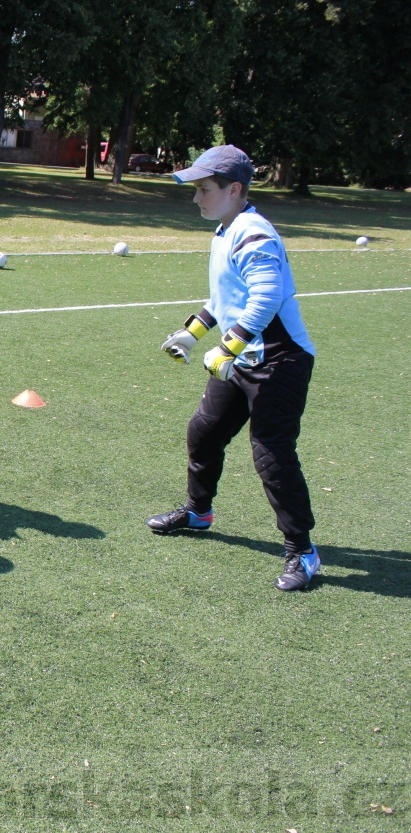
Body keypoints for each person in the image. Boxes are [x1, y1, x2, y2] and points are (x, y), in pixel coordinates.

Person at [150, 144, 320, 592]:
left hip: (279, 362)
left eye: (204, 189)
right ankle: (199, 512)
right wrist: (192, 333)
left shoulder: (254, 233)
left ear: (235, 189)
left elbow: (265, 301)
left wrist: (225, 349)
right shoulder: (226, 230)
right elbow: (225, 300)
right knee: (204, 432)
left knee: (271, 455)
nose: (197, 198)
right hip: (242, 357)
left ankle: (302, 552)